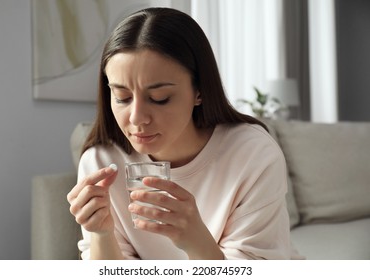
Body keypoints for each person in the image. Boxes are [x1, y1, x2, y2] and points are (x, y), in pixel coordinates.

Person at [67, 7, 302, 260]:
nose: (136, 118)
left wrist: (195, 239)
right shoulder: (101, 162)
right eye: (122, 97)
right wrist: (102, 235)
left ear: (199, 91)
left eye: (159, 98)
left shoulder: (253, 153)